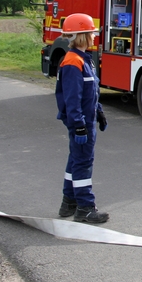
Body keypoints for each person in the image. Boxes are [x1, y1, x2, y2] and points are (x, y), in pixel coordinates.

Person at [55, 13, 110, 224]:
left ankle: (69, 202)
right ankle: (85, 208)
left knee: (75, 159)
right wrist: (79, 125)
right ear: (82, 35)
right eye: (91, 33)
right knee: (83, 162)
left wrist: (99, 110)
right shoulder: (73, 62)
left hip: (85, 118)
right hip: (82, 122)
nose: (94, 37)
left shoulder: (82, 59)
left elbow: (89, 92)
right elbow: (72, 98)